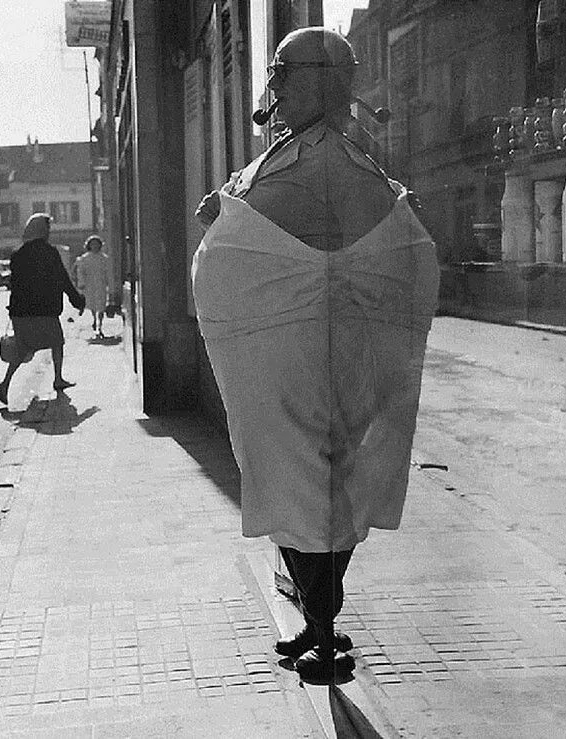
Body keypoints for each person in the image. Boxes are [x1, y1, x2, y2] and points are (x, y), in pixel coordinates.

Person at [192, 28, 439, 682]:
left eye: (283, 75)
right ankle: (322, 616)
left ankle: (322, 623)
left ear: (323, 81)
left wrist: (228, 212)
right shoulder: (338, 156)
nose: (272, 88)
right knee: (332, 483)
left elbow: (273, 218)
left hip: (305, 352)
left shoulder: (321, 158)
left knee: (299, 480)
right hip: (332, 352)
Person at [0, 213, 86, 405]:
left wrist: (13, 308)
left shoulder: (18, 254)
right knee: (56, 342)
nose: (49, 232)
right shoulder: (49, 252)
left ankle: (5, 383)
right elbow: (63, 279)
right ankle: (58, 379)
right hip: (44, 309)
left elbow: (16, 284)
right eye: (48, 229)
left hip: (22, 311)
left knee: (22, 349)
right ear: (43, 231)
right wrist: (77, 300)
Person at [75, 235, 110, 337]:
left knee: (101, 303)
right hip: (89, 284)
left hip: (101, 283)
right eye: (92, 244)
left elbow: (108, 271)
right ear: (89, 245)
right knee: (92, 302)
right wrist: (81, 283)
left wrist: (109, 283)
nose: (94, 246)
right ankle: (94, 319)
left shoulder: (104, 258)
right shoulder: (85, 258)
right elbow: (80, 271)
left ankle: (100, 323)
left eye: (97, 244)